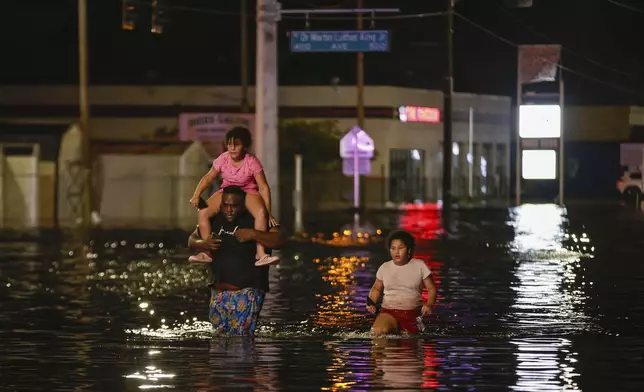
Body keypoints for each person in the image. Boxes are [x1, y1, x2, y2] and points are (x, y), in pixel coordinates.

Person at [188, 186, 286, 335]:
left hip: (247, 292)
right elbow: (192, 239)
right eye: (225, 205)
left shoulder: (258, 219)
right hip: (218, 293)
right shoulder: (213, 219)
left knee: (240, 341)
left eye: (234, 206)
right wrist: (203, 244)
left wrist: (254, 234)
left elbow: (280, 240)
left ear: (244, 206)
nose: (229, 210)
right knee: (218, 340)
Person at [189, 126, 279, 266]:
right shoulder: (223, 159)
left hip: (248, 191)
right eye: (229, 144)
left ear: (245, 145)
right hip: (227, 191)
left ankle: (261, 253)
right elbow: (208, 177)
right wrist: (196, 195)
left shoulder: (251, 161)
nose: (232, 148)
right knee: (203, 211)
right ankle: (206, 253)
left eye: (236, 144)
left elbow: (263, 187)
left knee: (261, 213)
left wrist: (269, 213)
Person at [366, 230, 437, 335]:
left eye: (400, 248)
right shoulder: (385, 267)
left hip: (412, 315)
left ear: (408, 250)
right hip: (388, 313)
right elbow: (377, 288)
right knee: (377, 332)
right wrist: (371, 303)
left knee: (409, 345)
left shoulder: (420, 266)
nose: (396, 252)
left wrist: (429, 304)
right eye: (393, 248)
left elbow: (431, 288)